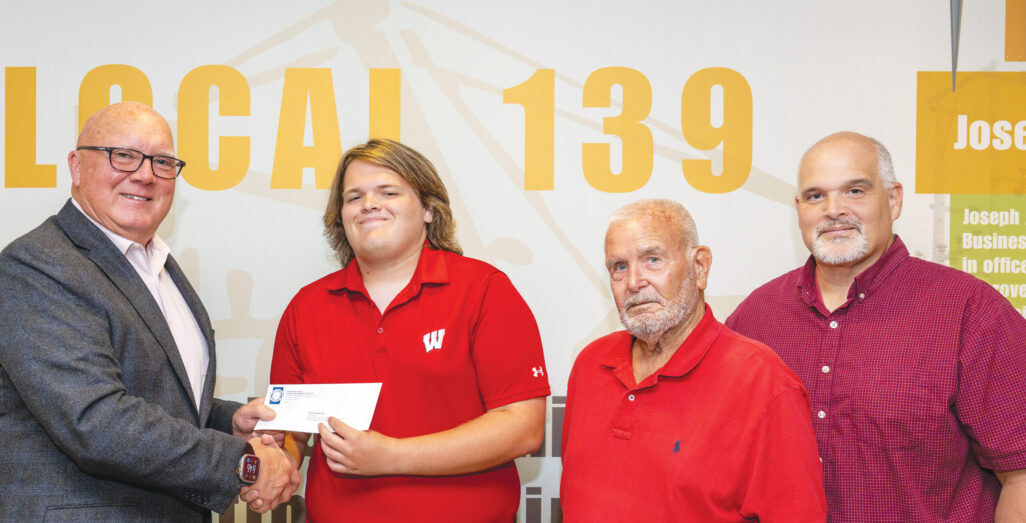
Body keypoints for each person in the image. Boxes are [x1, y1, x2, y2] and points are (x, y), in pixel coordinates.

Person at [0, 102, 299, 521]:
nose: (144, 175)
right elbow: (97, 422)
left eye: (162, 162)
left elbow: (154, 395)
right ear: (76, 166)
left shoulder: (159, 266)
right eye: (123, 155)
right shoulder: (38, 265)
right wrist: (244, 462)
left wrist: (227, 421)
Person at [725, 131, 1026, 521]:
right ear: (799, 209)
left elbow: (1020, 475)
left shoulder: (969, 311)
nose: (834, 210)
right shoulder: (755, 318)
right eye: (816, 196)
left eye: (855, 191)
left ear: (894, 199)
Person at [270, 138, 550, 521]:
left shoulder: (484, 291)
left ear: (429, 210)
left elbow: (523, 427)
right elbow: (291, 432)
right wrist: (276, 460)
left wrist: (391, 456)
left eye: (388, 192)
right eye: (354, 197)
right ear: (341, 217)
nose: (369, 204)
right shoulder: (306, 308)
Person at [560, 199, 827, 522]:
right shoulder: (591, 364)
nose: (633, 282)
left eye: (652, 259)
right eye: (619, 267)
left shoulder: (763, 383)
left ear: (699, 267)